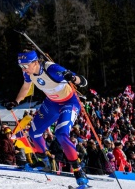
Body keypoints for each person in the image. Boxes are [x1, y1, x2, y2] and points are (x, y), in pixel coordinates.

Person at [6, 50, 89, 187]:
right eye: (21, 66)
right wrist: (16, 102)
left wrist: (73, 78)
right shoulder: (28, 73)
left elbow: (83, 81)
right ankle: (43, 161)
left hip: (69, 103)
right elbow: (26, 87)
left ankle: (78, 171)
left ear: (35, 62)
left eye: (25, 65)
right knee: (34, 133)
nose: (24, 69)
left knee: (61, 134)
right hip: (51, 103)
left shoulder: (52, 69)